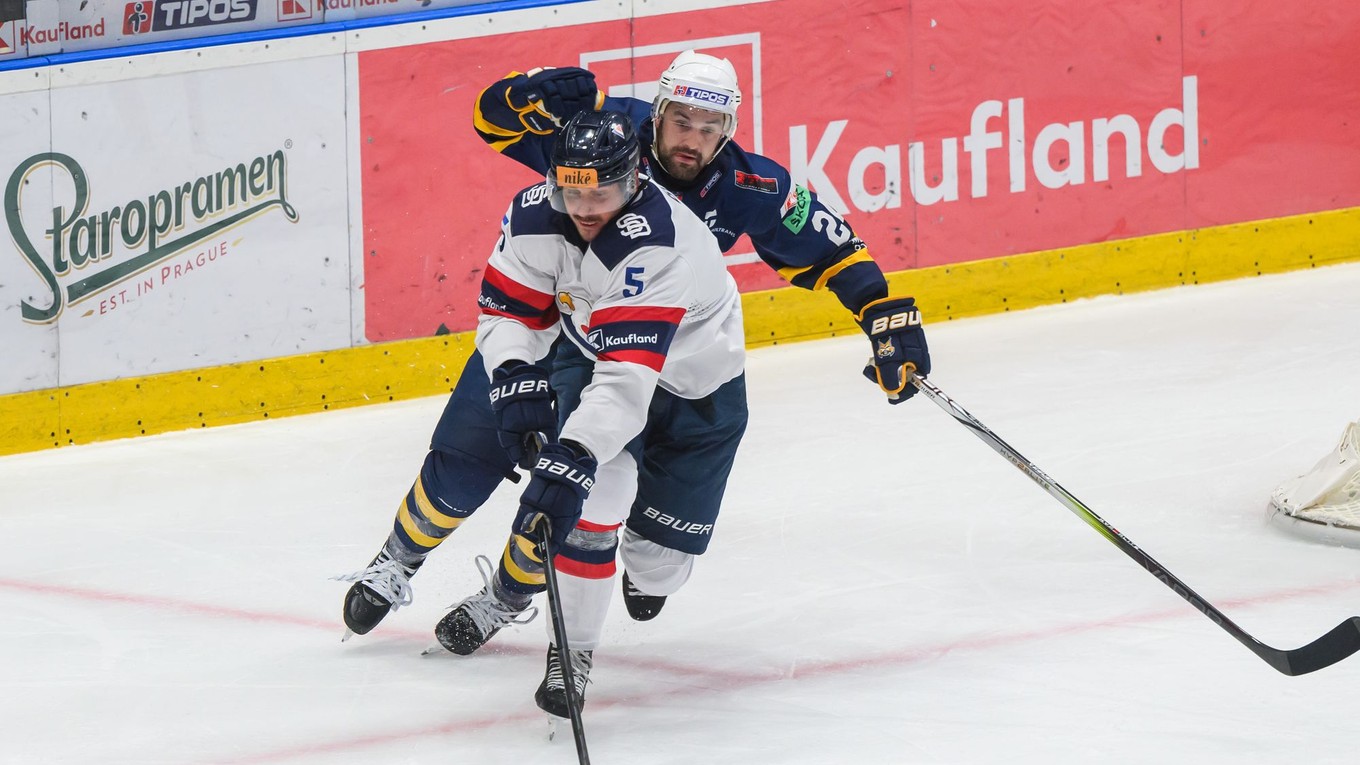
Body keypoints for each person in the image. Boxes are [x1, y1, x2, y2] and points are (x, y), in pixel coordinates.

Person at [337, 52, 931, 654]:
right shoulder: (604, 135)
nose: (692, 141)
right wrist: (524, 93)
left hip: (637, 358)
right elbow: (494, 122)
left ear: (729, 129)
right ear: (658, 112)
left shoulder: (750, 184)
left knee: (575, 494)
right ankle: (396, 559)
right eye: (681, 121)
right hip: (556, 329)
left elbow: (833, 251)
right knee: (467, 459)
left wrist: (882, 313)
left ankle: (504, 598)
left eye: (709, 127)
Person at [470, 108, 747, 715]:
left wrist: (573, 452)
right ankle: (573, 654)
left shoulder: (660, 246)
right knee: (593, 506)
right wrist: (514, 374)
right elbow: (508, 312)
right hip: (595, 359)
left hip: (697, 388)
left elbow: (629, 386)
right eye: (574, 190)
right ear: (554, 181)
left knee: (657, 571)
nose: (589, 206)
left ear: (637, 181)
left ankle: (644, 566)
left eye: (607, 191)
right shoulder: (532, 216)